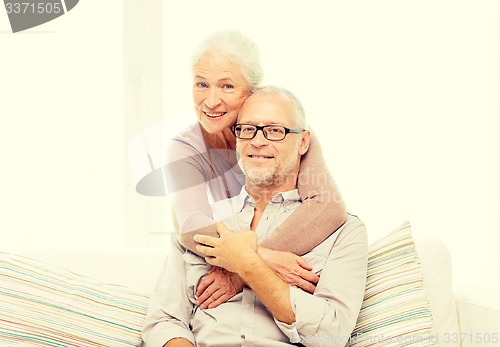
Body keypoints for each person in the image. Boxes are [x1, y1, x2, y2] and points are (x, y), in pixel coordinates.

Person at [142, 86, 368, 347]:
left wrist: (247, 263)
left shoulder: (344, 232)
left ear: (303, 141)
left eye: (275, 130)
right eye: (247, 129)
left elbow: (331, 333)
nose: (258, 141)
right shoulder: (202, 223)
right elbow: (164, 321)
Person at [165, 30, 347, 307]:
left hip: (297, 268)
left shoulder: (284, 129)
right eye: (202, 84)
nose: (211, 101)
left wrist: (242, 271)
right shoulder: (185, 148)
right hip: (237, 269)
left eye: (227, 87)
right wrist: (259, 260)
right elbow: (191, 228)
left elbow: (327, 207)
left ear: (251, 91)